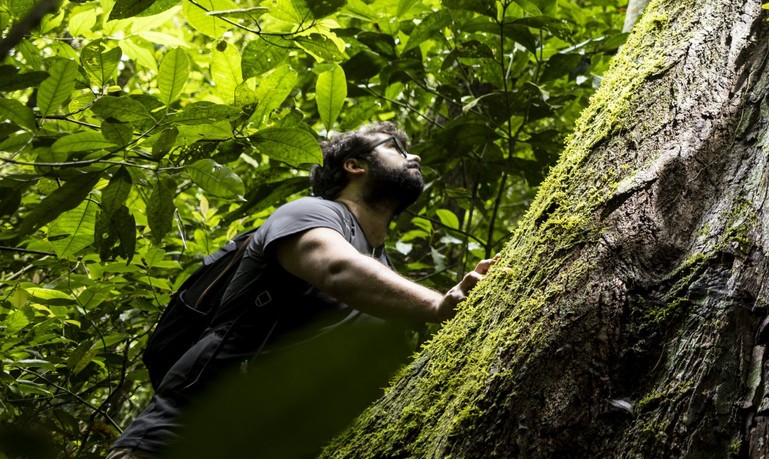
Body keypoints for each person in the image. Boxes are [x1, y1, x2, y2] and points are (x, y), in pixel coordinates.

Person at [108, 122, 493, 458]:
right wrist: (438, 304)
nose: (416, 157)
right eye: (395, 148)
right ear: (355, 165)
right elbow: (336, 269)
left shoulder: (383, 271)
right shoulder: (311, 213)